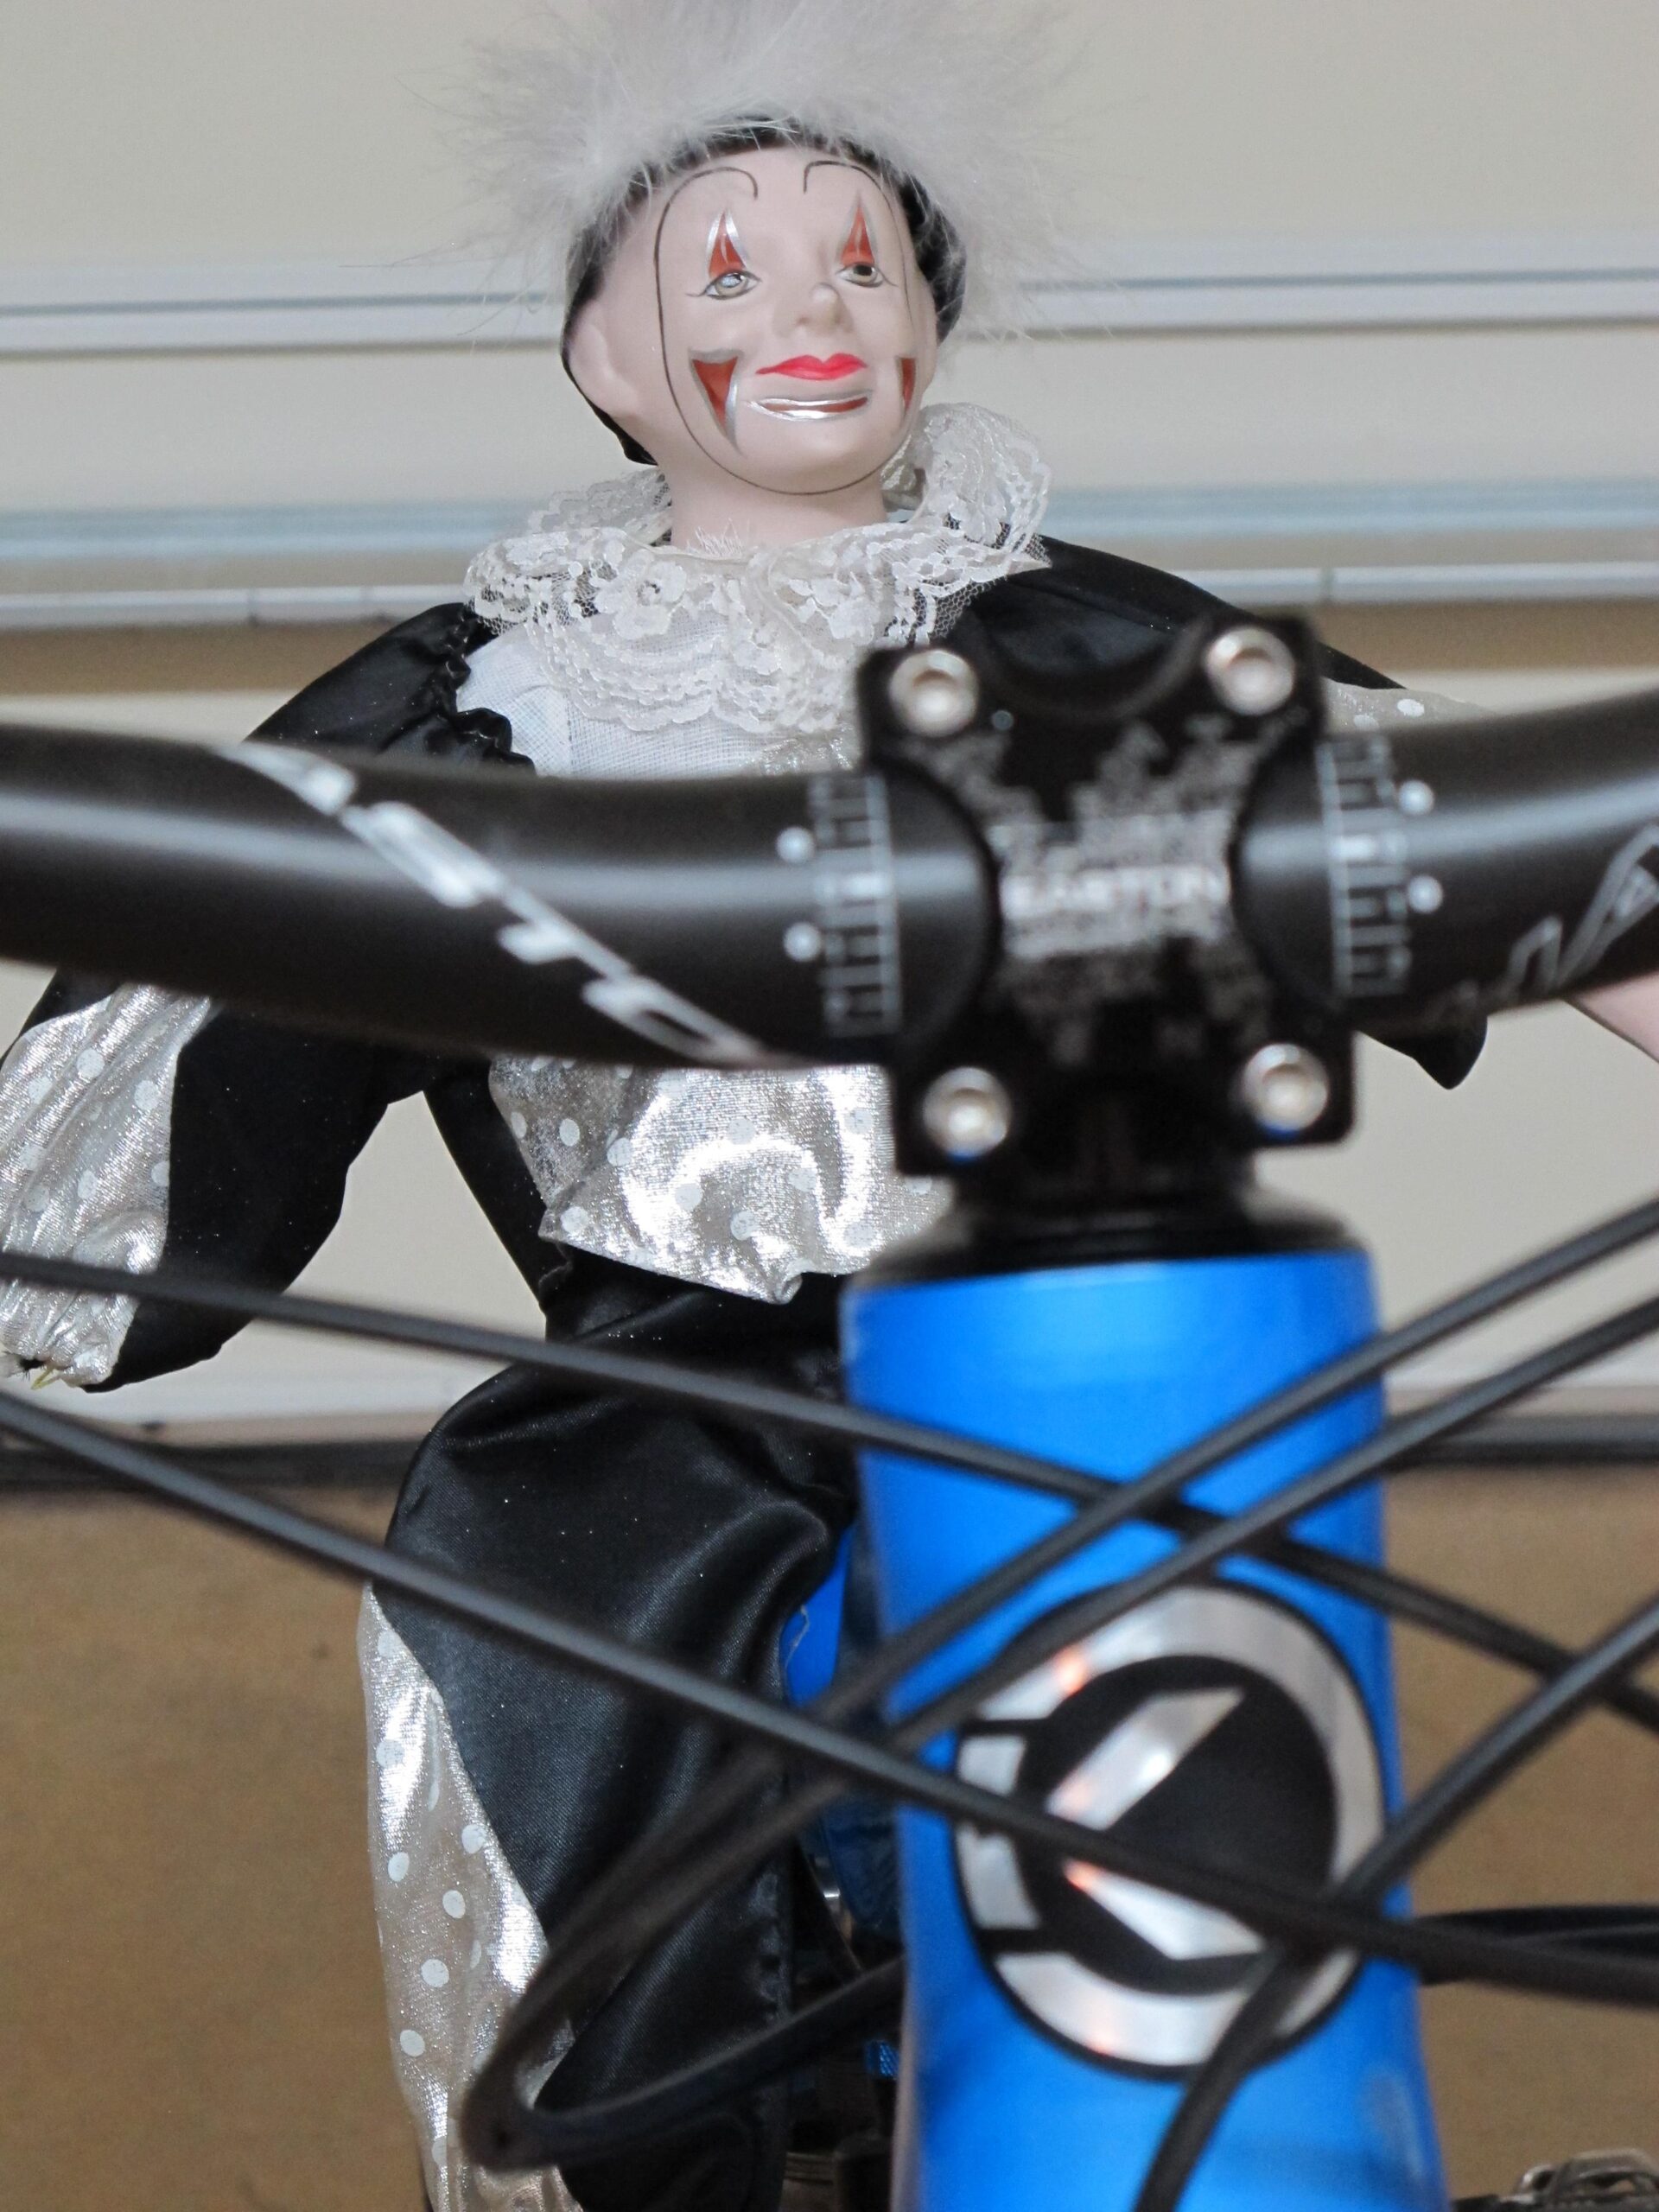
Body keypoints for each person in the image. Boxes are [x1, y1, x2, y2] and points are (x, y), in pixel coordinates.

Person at [1, 5, 1653, 2209]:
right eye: (730, 271)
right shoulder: (475, 709)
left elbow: (1483, 848)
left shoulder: (1088, 656)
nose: (812, 314)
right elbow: (179, 1020)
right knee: (635, 1982)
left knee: (1186, 1922)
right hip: (644, 1463)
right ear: (602, 351)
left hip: (1073, 1359)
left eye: (864, 264)